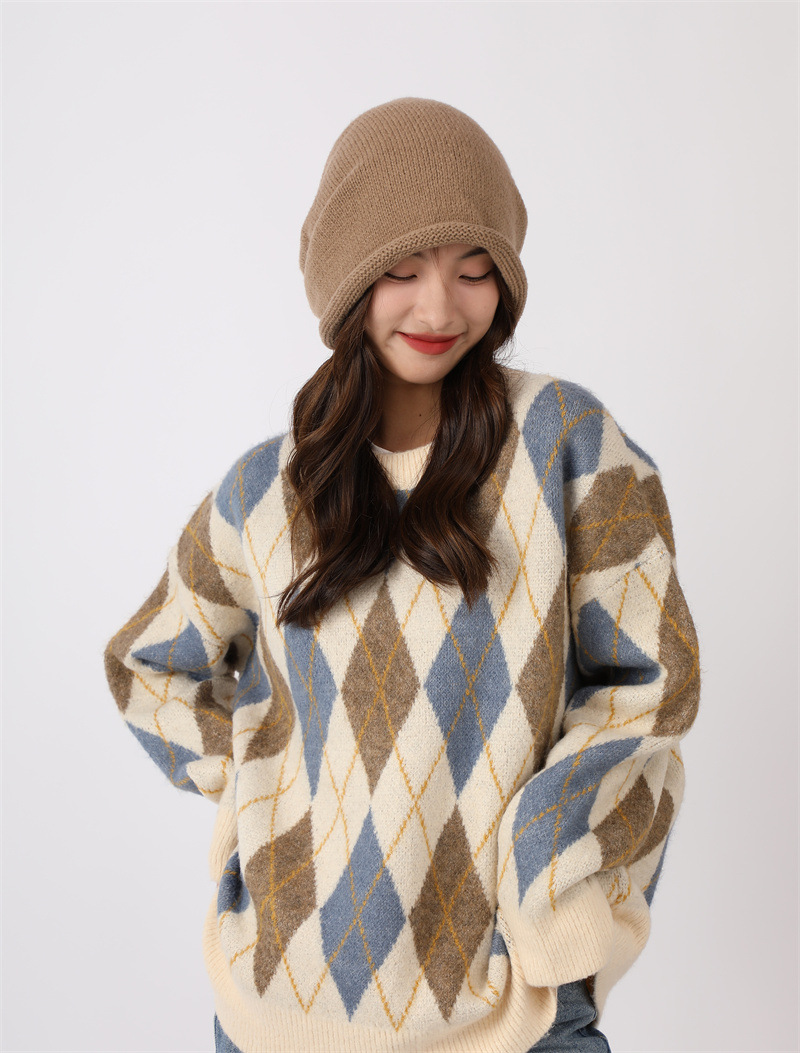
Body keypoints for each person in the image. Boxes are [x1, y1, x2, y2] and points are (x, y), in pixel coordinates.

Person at [105, 97, 700, 1053]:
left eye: (474, 270)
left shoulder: (567, 445)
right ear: (345, 280)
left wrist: (546, 868)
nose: (439, 308)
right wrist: (257, 791)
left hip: (514, 1009)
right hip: (277, 1013)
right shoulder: (265, 491)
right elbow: (149, 664)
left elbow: (652, 688)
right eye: (401, 269)